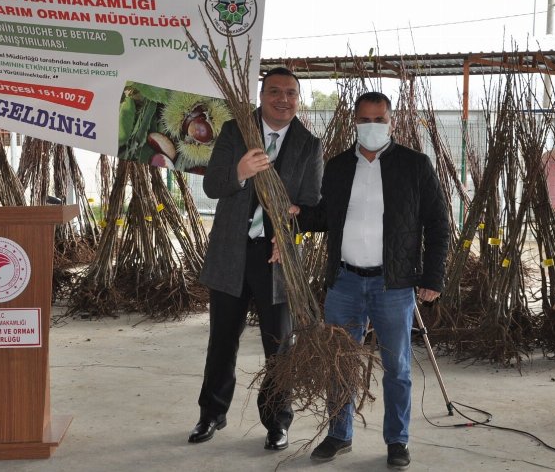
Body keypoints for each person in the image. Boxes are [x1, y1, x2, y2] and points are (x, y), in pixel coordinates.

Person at [291, 91, 449, 469]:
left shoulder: (415, 165)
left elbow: (438, 223)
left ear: (390, 122)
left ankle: (397, 440)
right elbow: (326, 215)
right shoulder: (339, 166)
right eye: (365, 119)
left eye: (380, 119)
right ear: (355, 122)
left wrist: (433, 275)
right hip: (345, 282)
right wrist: (297, 215)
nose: (372, 126)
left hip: (392, 285)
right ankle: (339, 434)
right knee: (339, 362)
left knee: (398, 368)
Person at [190, 67, 323, 450]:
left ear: (299, 99)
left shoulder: (308, 145)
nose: (283, 99)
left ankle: (278, 422)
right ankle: (211, 414)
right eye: (275, 92)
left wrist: (291, 234)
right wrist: (241, 171)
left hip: (277, 257)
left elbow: (311, 205)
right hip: (232, 252)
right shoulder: (236, 132)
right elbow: (214, 185)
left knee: (278, 345)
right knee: (222, 340)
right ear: (261, 96)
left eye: (291, 93)